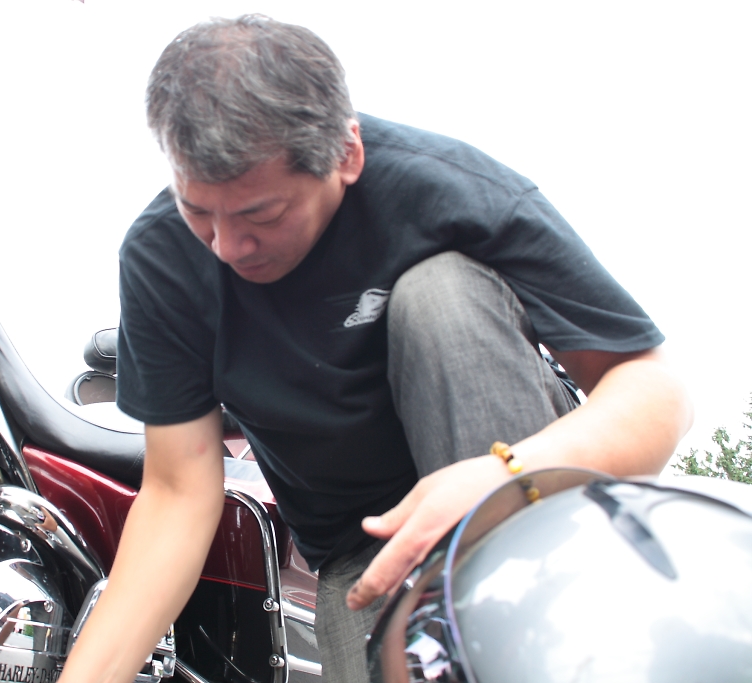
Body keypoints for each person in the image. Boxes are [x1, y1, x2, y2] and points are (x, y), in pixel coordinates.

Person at [60, 14, 692, 683]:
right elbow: (178, 495)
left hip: (521, 489)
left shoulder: (450, 191)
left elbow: (655, 390)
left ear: (347, 155)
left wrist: (505, 473)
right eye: (198, 211)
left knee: (440, 291)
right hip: (365, 548)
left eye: (261, 215)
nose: (226, 246)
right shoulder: (162, 258)